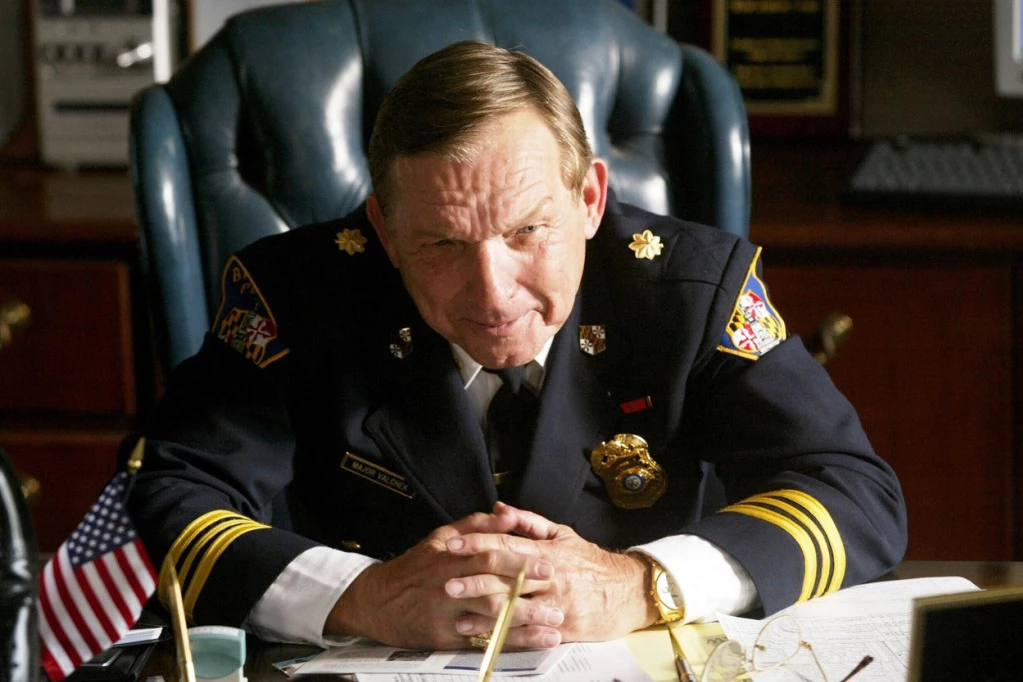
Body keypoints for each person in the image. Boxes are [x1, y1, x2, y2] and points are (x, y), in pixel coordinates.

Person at [124, 40, 907, 651]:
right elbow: (167, 494)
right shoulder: (297, 296)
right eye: (440, 243)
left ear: (590, 199)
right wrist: (364, 597)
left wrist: (644, 584)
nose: (493, 294)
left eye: (528, 231)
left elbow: (853, 492)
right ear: (384, 231)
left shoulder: (690, 292)